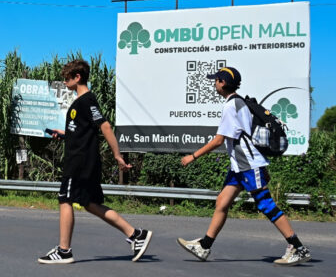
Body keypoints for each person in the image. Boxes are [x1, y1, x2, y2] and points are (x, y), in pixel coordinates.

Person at [177, 66, 311, 266]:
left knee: (266, 205)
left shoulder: (231, 106)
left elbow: (219, 140)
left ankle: (298, 248)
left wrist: (193, 156)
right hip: (239, 167)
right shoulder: (240, 102)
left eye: (216, 80)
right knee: (222, 202)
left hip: (249, 165)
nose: (214, 83)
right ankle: (205, 246)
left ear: (222, 82)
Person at [38, 59, 153, 264]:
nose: (65, 82)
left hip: (80, 161)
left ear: (77, 77)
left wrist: (117, 155)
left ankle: (64, 251)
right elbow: (82, 132)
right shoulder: (80, 103)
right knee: (89, 203)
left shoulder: (87, 100)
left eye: (67, 78)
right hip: (82, 159)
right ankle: (136, 235)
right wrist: (63, 134)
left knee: (65, 198)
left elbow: (105, 126)